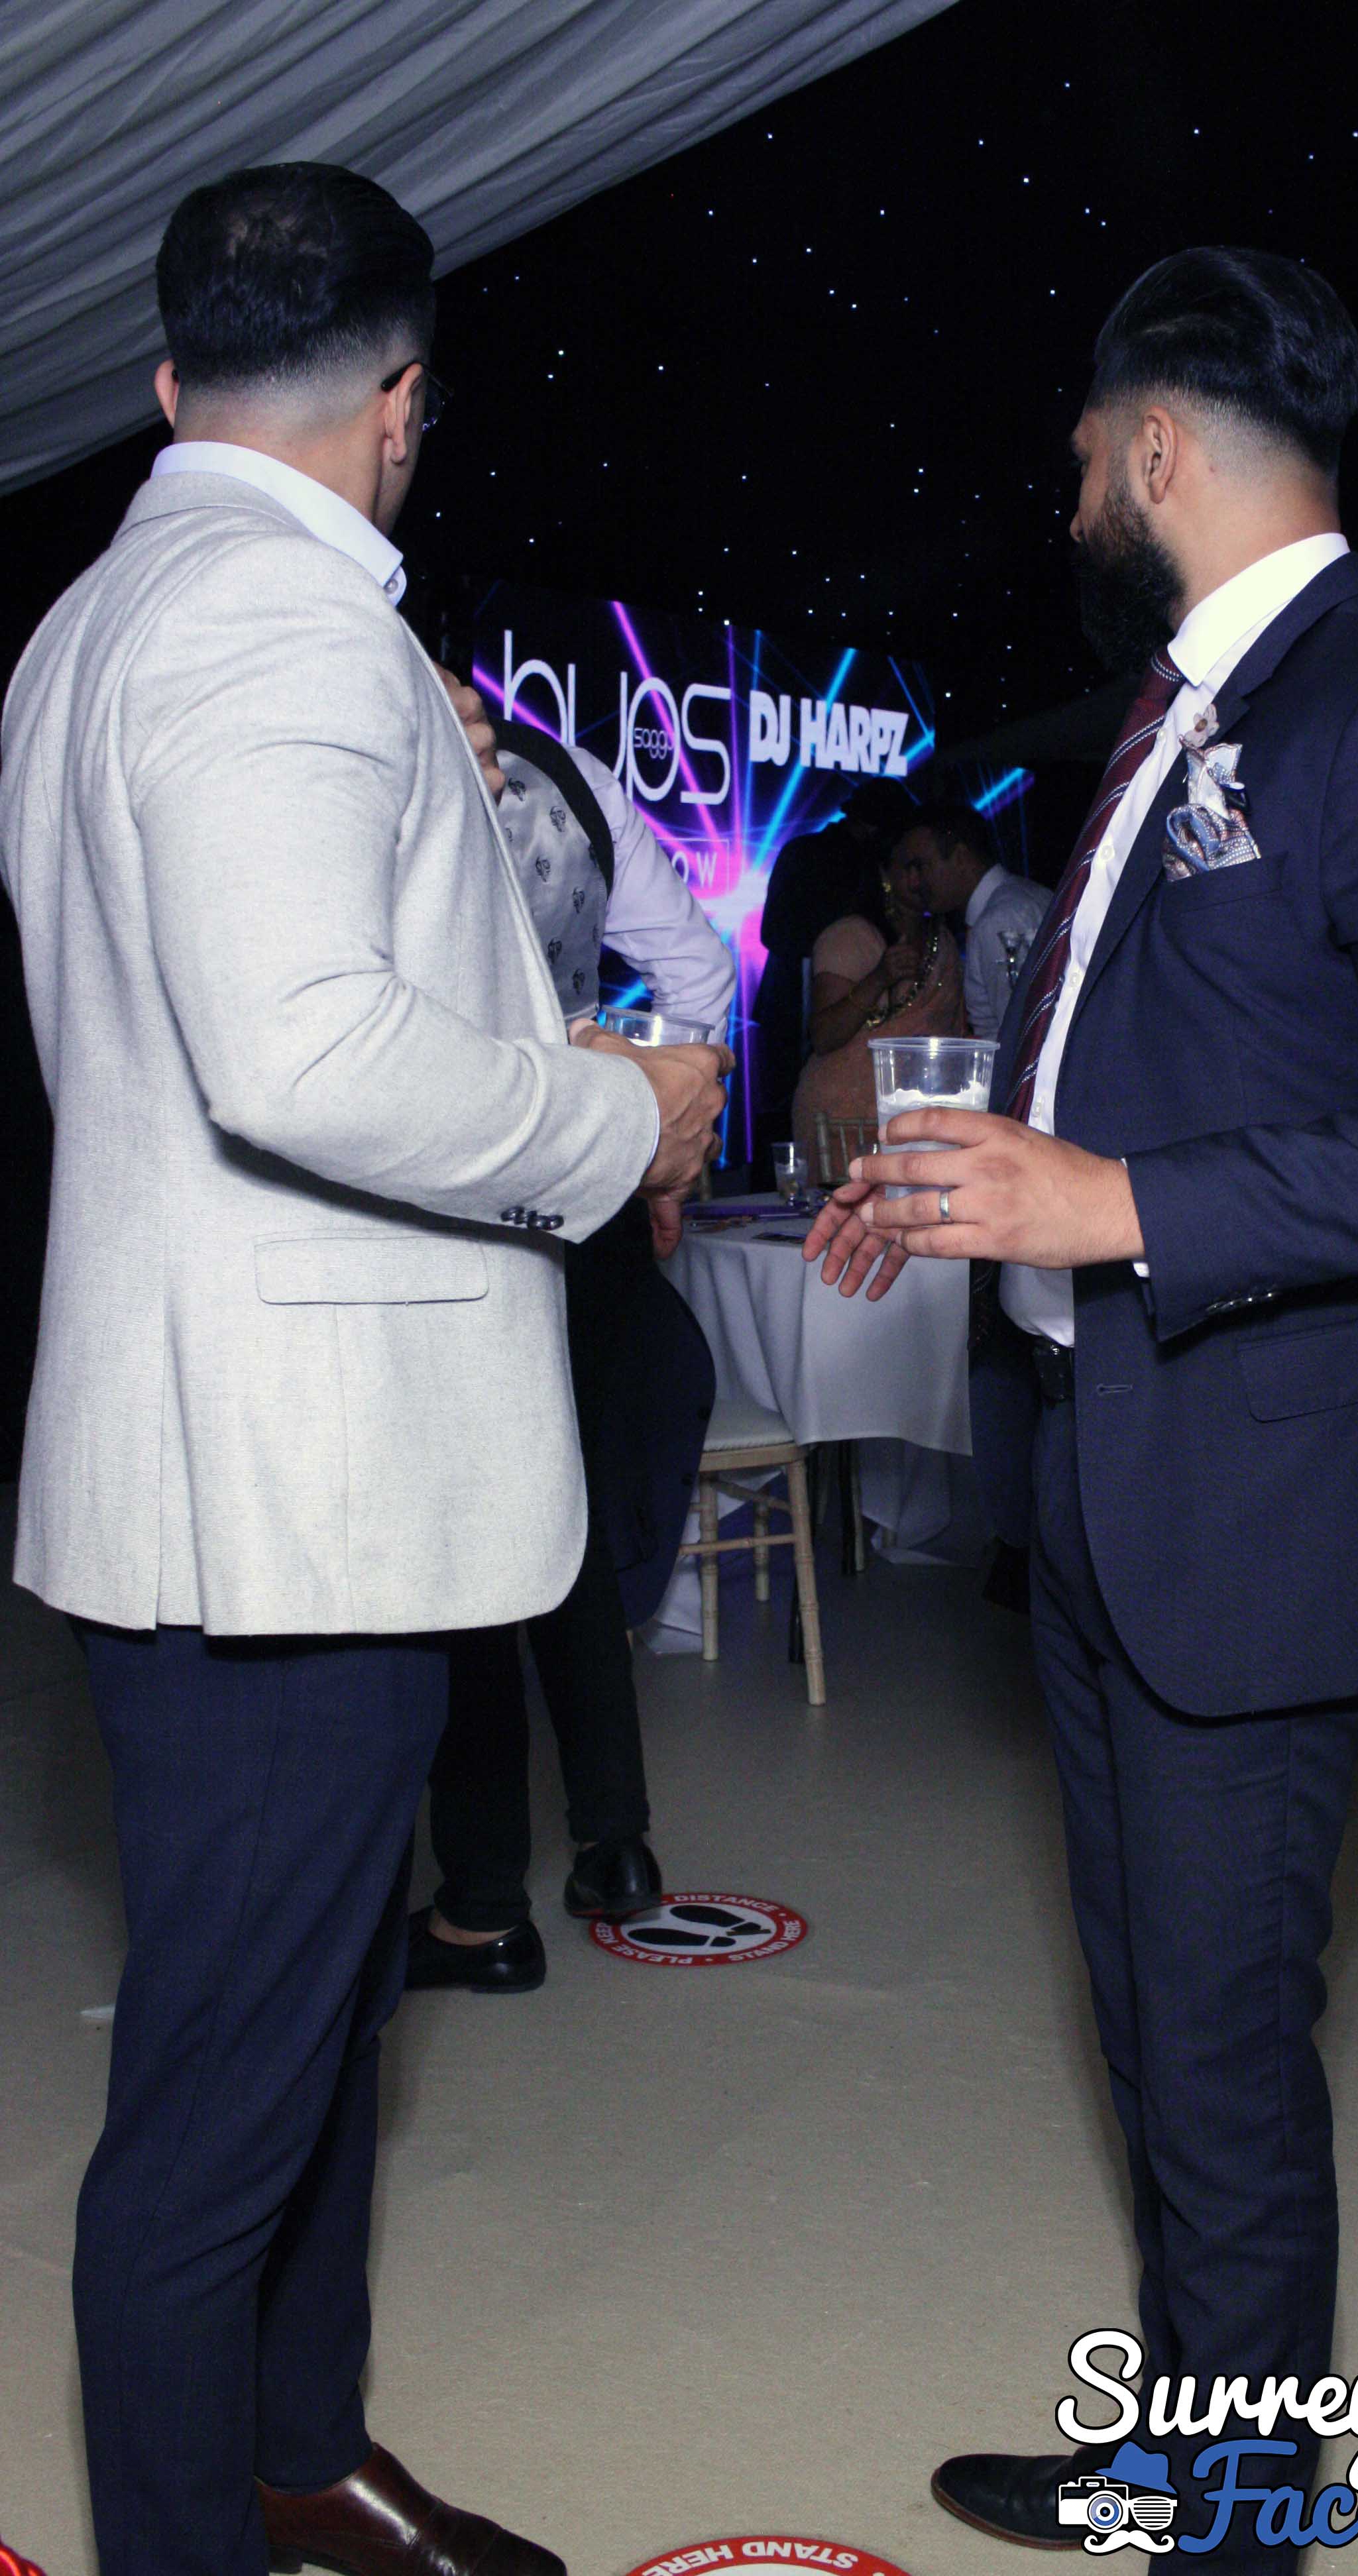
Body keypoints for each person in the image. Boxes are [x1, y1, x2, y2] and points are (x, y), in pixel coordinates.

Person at [804, 246, 1358, 2565]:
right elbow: (1173, 1065)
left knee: (1225, 2057)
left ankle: (1241, 2529)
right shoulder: (1174, 715)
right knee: (1155, 2022)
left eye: (1080, 453)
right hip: (1107, 1455)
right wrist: (980, 1190)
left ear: (1154, 446)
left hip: (1253, 1490)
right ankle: (1183, 2447)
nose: (1067, 493)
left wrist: (1119, 1201)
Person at [0, 162, 726, 2576]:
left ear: (167, 376)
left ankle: (301, 2454)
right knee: (221, 2106)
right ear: (405, 402)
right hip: (279, 1495)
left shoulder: (103, 614)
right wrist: (608, 1117)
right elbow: (298, 1050)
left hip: (259, 1467)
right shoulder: (276, 623)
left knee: (309, 2025)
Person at [408, 722, 736, 1992]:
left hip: (455, 1175)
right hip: (586, 1177)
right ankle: (616, 1844)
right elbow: (699, 969)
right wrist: (658, 1144)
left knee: (469, 1540)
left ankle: (483, 1901)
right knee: (571, 1521)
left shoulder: (389, 747)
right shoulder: (577, 771)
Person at [752, 776, 919, 1150]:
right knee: (789, 1114)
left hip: (797, 1003)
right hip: (798, 1001)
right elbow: (776, 932)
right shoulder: (835, 860)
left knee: (782, 1117)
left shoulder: (804, 851)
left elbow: (772, 932)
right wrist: (838, 944)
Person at [790, 835, 967, 1179]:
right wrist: (880, 977)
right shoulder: (850, 935)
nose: (919, 879)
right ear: (885, 874)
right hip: (843, 1120)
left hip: (920, 1117)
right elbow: (824, 1036)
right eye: (910, 867)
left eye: (926, 867)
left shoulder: (943, 942)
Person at [895, 800, 1053, 1039]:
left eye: (921, 866)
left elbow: (1022, 1036)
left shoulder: (998, 920)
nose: (914, 882)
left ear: (960, 857)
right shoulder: (1023, 896)